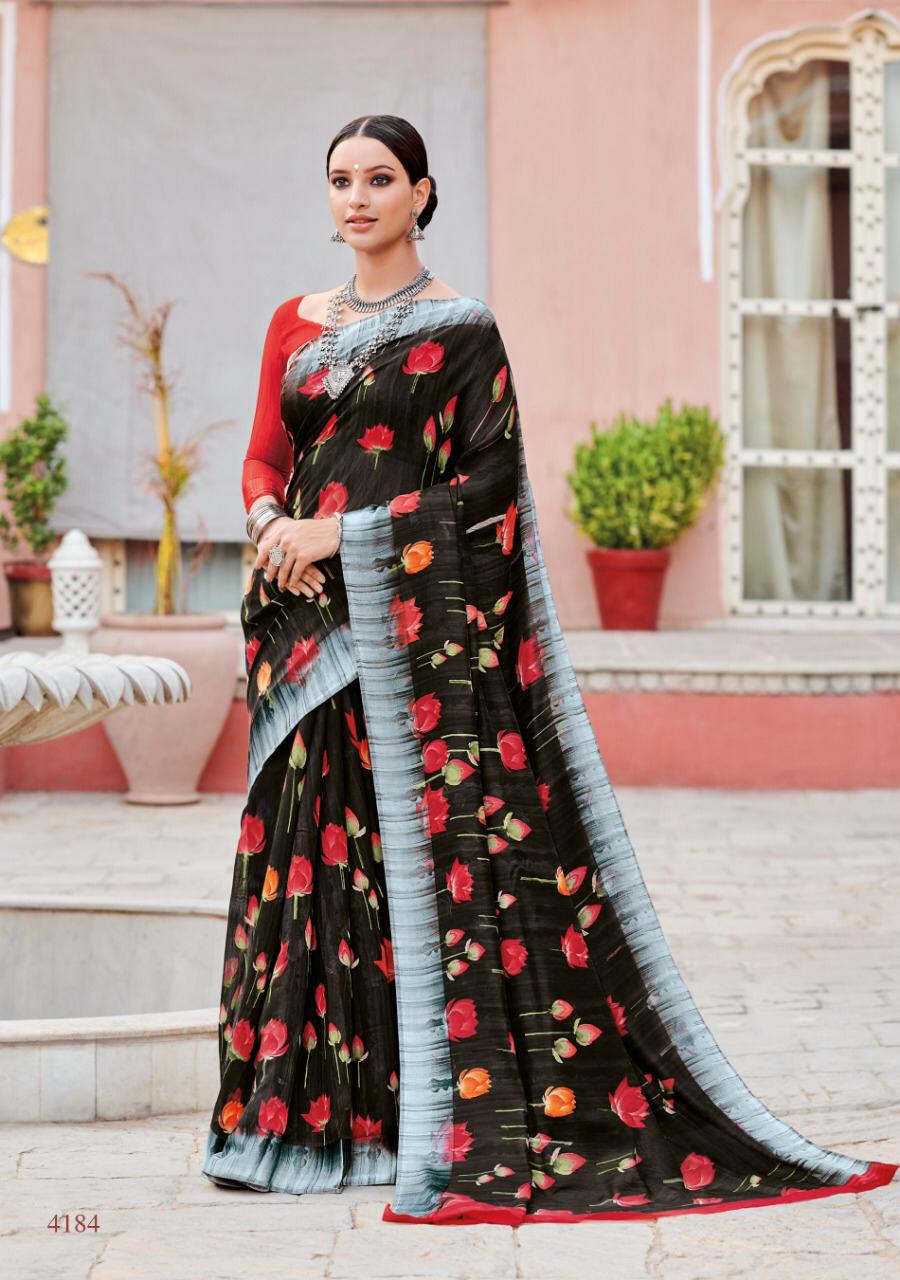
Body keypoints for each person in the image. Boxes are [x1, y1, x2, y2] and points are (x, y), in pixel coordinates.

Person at [200, 113, 897, 1224]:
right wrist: (269, 521)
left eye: (380, 179)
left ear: (422, 194)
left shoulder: (463, 330)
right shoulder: (295, 321)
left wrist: (343, 534)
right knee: (303, 861)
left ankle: (419, 1119)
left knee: (401, 860)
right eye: (340, 179)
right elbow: (261, 454)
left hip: (404, 636)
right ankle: (293, 1128)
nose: (357, 198)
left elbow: (485, 491)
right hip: (301, 629)